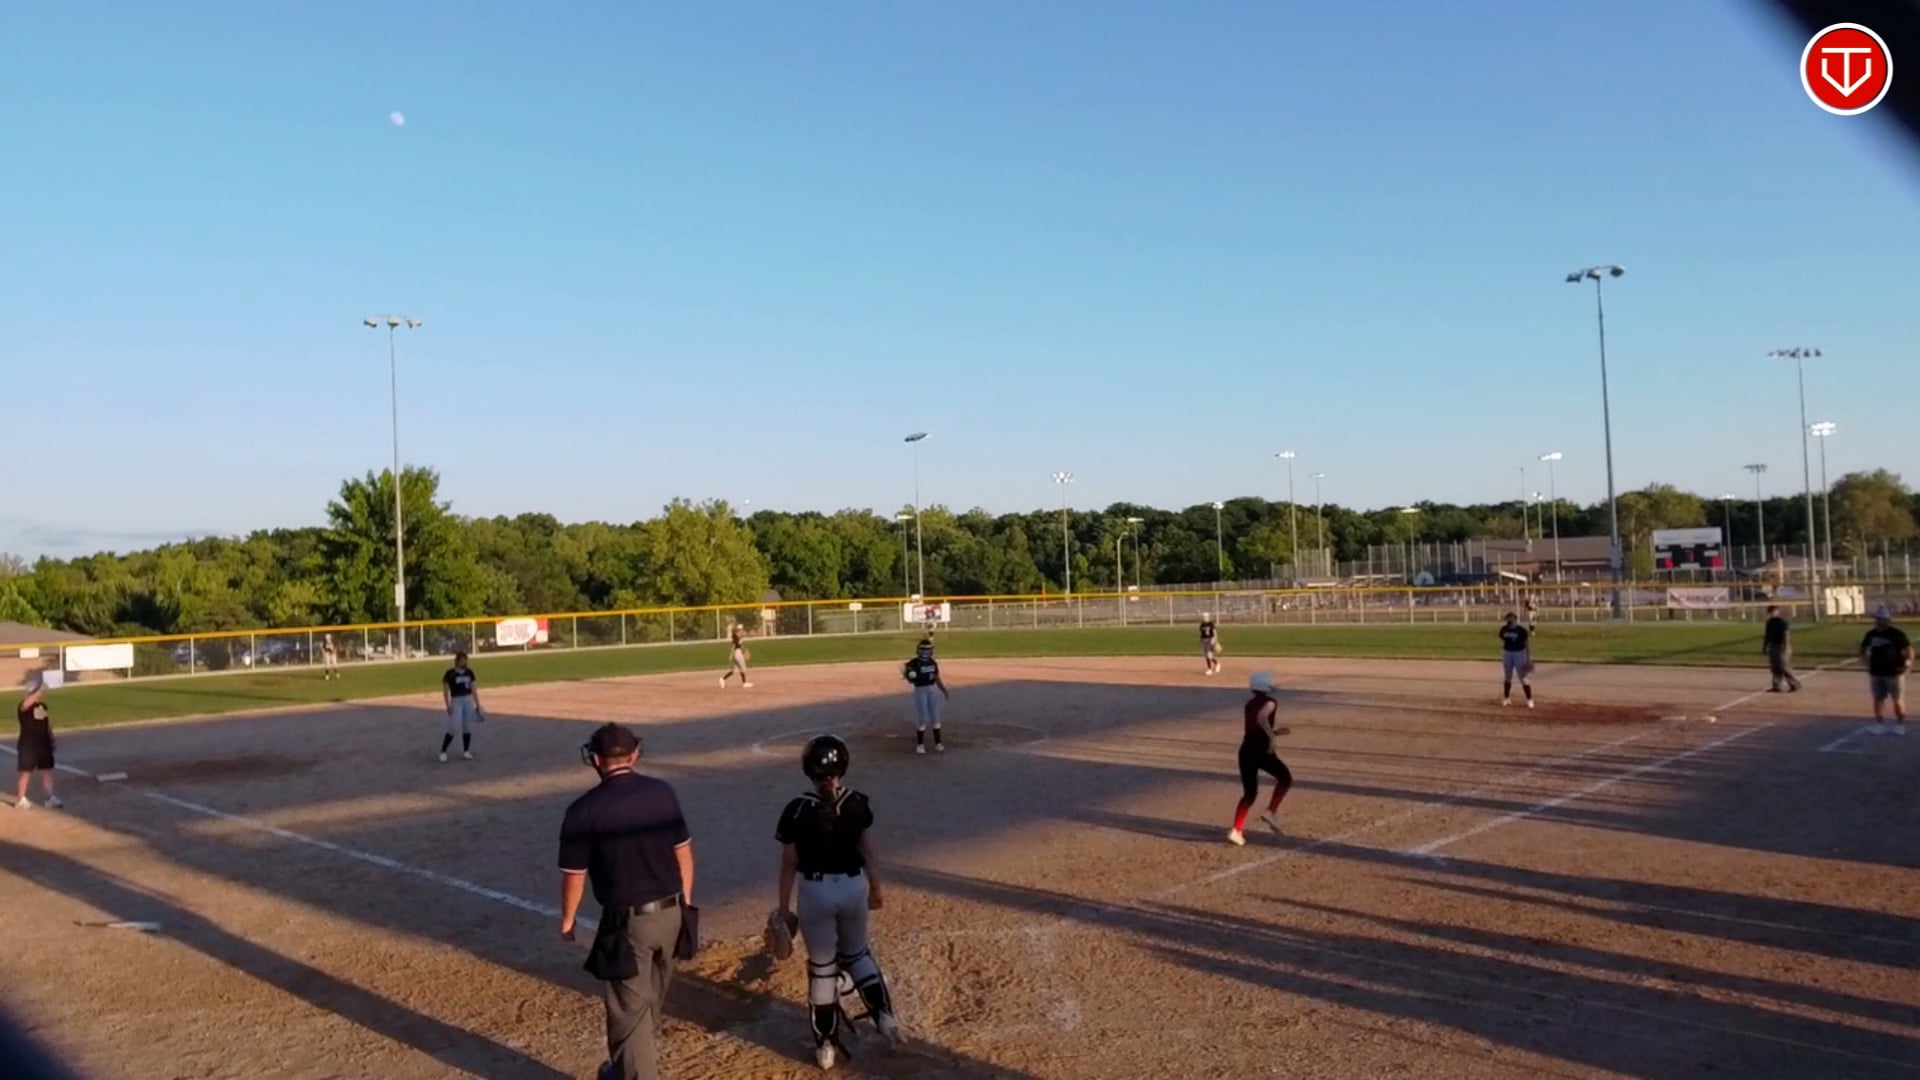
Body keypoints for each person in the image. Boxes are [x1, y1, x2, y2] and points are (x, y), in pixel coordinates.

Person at [559, 723, 695, 1080]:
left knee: (630, 1014)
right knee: (649, 1003)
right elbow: (683, 853)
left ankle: (634, 1072)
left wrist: (568, 919)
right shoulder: (662, 792)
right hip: (672, 914)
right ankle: (625, 1070)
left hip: (629, 923)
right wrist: (686, 904)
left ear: (595, 759)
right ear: (634, 755)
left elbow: (574, 875)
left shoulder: (583, 810)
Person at [774, 735, 901, 1070]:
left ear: (808, 770)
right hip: (852, 889)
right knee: (857, 955)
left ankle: (826, 1047)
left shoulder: (796, 810)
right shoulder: (857, 803)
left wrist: (784, 909)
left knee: (822, 969)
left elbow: (788, 865)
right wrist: (876, 889)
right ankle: (885, 1017)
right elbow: (869, 853)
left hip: (815, 894)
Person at [1229, 672, 1292, 846]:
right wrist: (1272, 739)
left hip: (1246, 751)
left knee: (1249, 794)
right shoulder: (1270, 702)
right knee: (1285, 778)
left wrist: (1273, 732)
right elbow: (1262, 719)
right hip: (1261, 751)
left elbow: (1255, 728)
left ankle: (1236, 830)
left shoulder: (1249, 704)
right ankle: (1271, 811)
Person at [1860, 606, 1912, 736]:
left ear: (1887, 620)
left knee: (1897, 699)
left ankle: (1900, 725)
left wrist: (1907, 664)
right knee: (1878, 699)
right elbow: (1863, 649)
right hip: (1876, 672)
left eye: (1880, 619)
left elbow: (1909, 650)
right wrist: (1866, 663)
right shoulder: (1871, 634)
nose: (1877, 622)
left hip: (1894, 673)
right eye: (1877, 619)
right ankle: (1880, 724)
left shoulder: (1896, 634)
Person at [14, 675, 60, 810]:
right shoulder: (24, 705)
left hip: (43, 743)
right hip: (28, 744)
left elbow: (45, 723)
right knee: (26, 772)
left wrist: (51, 737)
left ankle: (50, 797)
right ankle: (21, 799)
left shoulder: (42, 706)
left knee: (47, 770)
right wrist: (40, 690)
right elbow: (26, 704)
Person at [901, 638, 949, 755]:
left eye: (928, 650)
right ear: (919, 650)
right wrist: (908, 675)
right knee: (923, 717)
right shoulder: (914, 663)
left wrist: (943, 689)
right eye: (924, 650)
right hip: (920, 690)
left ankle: (938, 743)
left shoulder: (932, 662)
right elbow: (909, 677)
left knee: (935, 716)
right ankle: (920, 744)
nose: (926, 652)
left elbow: (936, 678)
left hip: (932, 689)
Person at [439, 651, 486, 762]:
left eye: (466, 660)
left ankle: (466, 751)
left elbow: (473, 688)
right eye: (462, 660)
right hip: (456, 700)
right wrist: (447, 705)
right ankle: (443, 751)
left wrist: (477, 704)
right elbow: (445, 691)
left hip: (468, 700)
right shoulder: (450, 673)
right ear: (457, 661)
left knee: (467, 727)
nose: (465, 662)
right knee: (454, 727)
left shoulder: (469, 672)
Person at [1762, 605, 1802, 693]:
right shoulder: (1769, 622)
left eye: (1773, 612)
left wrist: (1786, 647)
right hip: (1773, 646)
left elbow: (1786, 635)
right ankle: (1777, 685)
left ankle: (1795, 684)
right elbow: (1767, 635)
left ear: (1777, 612)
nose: (1771, 614)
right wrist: (1764, 646)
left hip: (1782, 646)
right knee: (1775, 667)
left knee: (1784, 666)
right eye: (1770, 612)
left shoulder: (1782, 622)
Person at [1499, 612, 1534, 708]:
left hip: (1519, 654)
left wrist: (1528, 658)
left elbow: (1527, 645)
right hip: (1507, 653)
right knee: (1507, 676)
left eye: (1510, 618)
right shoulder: (1503, 629)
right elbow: (1503, 639)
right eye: (1507, 618)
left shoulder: (1521, 631)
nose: (1508, 620)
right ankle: (1506, 698)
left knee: (1523, 677)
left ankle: (1529, 699)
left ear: (1515, 619)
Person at [719, 622, 753, 689]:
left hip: (736, 653)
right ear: (738, 630)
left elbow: (735, 645)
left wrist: (732, 654)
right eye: (741, 629)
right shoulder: (737, 636)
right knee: (743, 668)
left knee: (734, 670)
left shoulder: (736, 636)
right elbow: (738, 645)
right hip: (738, 653)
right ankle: (744, 683)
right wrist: (744, 651)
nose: (742, 630)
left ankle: (723, 679)